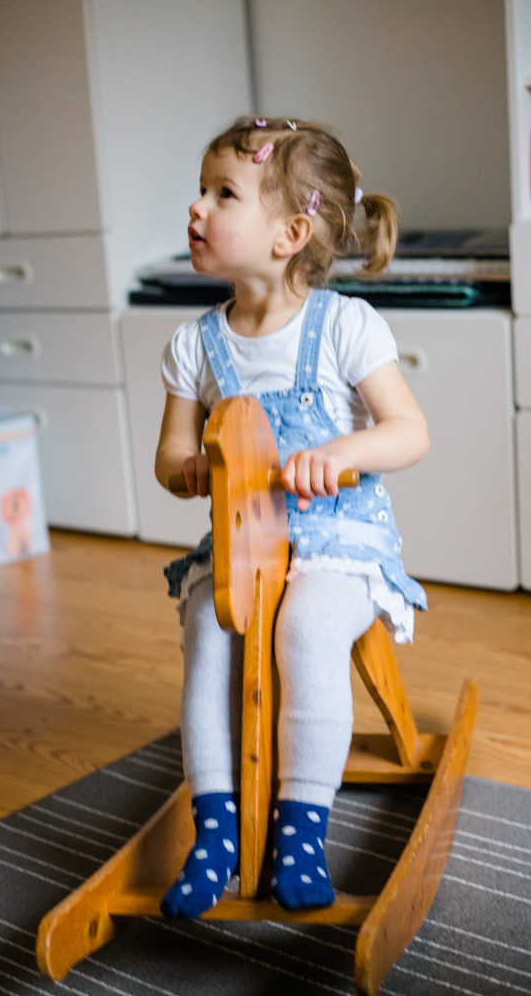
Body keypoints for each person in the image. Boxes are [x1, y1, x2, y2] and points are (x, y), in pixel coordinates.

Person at [155, 116, 429, 918]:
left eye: (222, 194)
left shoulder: (344, 326)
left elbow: (409, 432)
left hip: (338, 543)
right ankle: (216, 827)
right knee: (210, 630)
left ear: (290, 232)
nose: (197, 209)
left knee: (304, 631)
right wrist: (197, 468)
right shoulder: (193, 346)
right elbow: (170, 461)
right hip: (244, 544)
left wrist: (342, 453)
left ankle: (301, 824)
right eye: (201, 192)